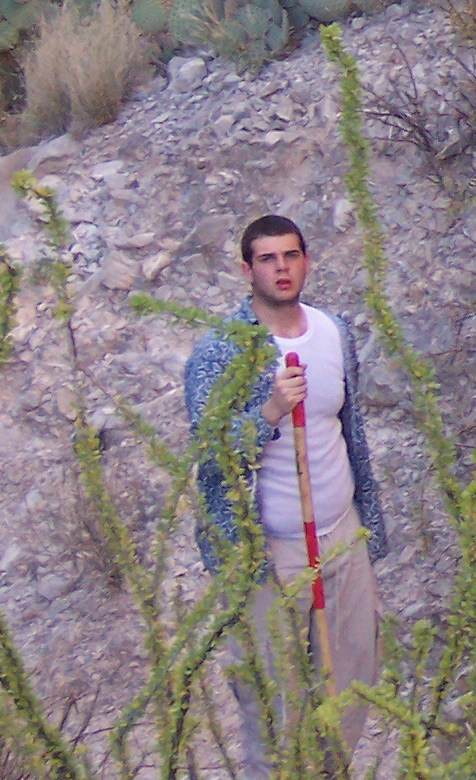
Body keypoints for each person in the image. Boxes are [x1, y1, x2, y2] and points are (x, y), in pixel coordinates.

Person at [184, 214, 388, 779]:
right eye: (268, 258)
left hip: (341, 534)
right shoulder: (222, 352)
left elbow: (348, 430)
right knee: (274, 702)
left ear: (306, 261)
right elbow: (211, 455)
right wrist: (269, 412)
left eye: (291, 256)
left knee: (352, 677)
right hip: (267, 553)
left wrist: (367, 519)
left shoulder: (333, 332)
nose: (281, 268)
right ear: (246, 269)